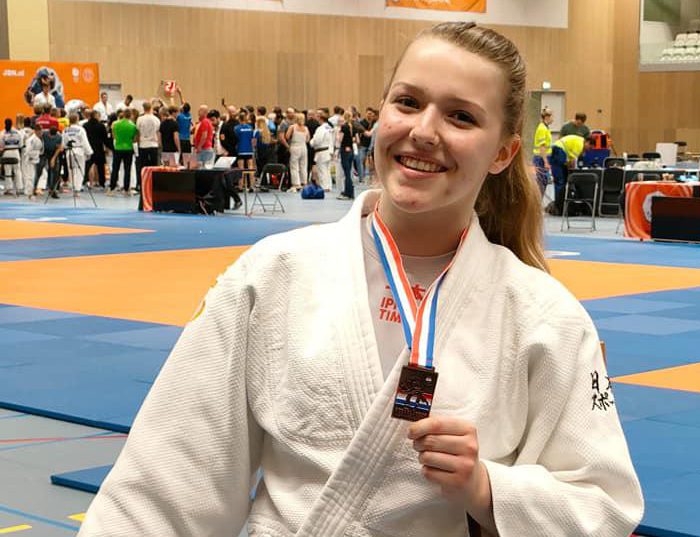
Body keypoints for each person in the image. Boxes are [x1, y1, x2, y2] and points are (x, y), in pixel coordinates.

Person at [77, 22, 643, 537]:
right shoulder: (273, 275)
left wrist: (489, 488)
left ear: (503, 152)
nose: (424, 131)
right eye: (408, 102)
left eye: (461, 117)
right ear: (382, 112)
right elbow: (167, 482)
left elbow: (604, 507)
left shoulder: (543, 315)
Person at [548, 134, 593, 214]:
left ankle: (558, 206)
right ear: (588, 142)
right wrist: (572, 173)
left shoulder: (579, 140)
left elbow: (569, 161)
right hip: (559, 151)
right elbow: (572, 161)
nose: (589, 150)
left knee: (559, 181)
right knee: (560, 182)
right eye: (590, 147)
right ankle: (560, 208)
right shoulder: (580, 144)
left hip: (556, 150)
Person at [61, 113, 93, 195]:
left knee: (71, 170)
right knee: (79, 170)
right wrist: (89, 152)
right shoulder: (81, 129)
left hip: (69, 151)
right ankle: (77, 189)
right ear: (77, 119)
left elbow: (63, 143)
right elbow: (85, 142)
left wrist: (65, 148)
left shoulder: (65, 130)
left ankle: (73, 187)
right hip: (79, 150)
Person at [110, 108, 138, 195]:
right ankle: (126, 189)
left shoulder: (115, 124)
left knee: (115, 169)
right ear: (131, 115)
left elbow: (113, 136)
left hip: (118, 148)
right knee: (127, 170)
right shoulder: (133, 126)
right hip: (128, 149)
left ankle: (112, 188)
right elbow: (134, 139)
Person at [310, 110, 334, 191]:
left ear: (320, 118)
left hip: (321, 151)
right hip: (328, 151)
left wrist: (311, 142)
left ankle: (324, 187)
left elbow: (317, 140)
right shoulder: (329, 127)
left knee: (322, 170)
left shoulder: (320, 129)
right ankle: (328, 186)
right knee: (327, 170)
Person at [285, 112, 310, 192]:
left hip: (295, 146)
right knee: (303, 166)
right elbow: (308, 139)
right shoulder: (306, 128)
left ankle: (296, 184)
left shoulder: (292, 127)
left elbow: (287, 136)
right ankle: (304, 183)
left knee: (294, 166)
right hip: (304, 147)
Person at [532, 107, 553, 196]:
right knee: (541, 182)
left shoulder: (545, 128)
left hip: (542, 158)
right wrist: (546, 162)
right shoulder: (542, 129)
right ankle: (537, 201)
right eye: (552, 116)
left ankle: (538, 201)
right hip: (540, 158)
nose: (553, 119)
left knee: (543, 181)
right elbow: (542, 146)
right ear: (547, 117)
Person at [0, 118, 24, 195]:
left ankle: (9, 189)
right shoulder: (18, 132)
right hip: (16, 152)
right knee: (17, 171)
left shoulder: (2, 133)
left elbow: (1, 146)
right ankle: (19, 188)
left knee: (8, 171)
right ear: (12, 123)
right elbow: (21, 145)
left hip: (6, 152)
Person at [336, 110, 356, 200]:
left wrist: (337, 134)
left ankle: (348, 193)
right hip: (351, 150)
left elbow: (340, 139)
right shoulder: (352, 126)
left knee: (346, 173)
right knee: (349, 172)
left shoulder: (344, 127)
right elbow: (356, 139)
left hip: (345, 150)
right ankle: (350, 192)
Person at [193, 105, 214, 169]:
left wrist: (199, 146)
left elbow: (204, 135)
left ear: (204, 112)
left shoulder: (205, 122)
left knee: (202, 168)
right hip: (205, 148)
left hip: (204, 149)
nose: (198, 112)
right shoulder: (206, 121)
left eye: (200, 110)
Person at [177, 102, 193, 166]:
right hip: (188, 139)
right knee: (187, 158)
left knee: (180, 157)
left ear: (183, 109)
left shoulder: (179, 116)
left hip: (181, 139)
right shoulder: (189, 116)